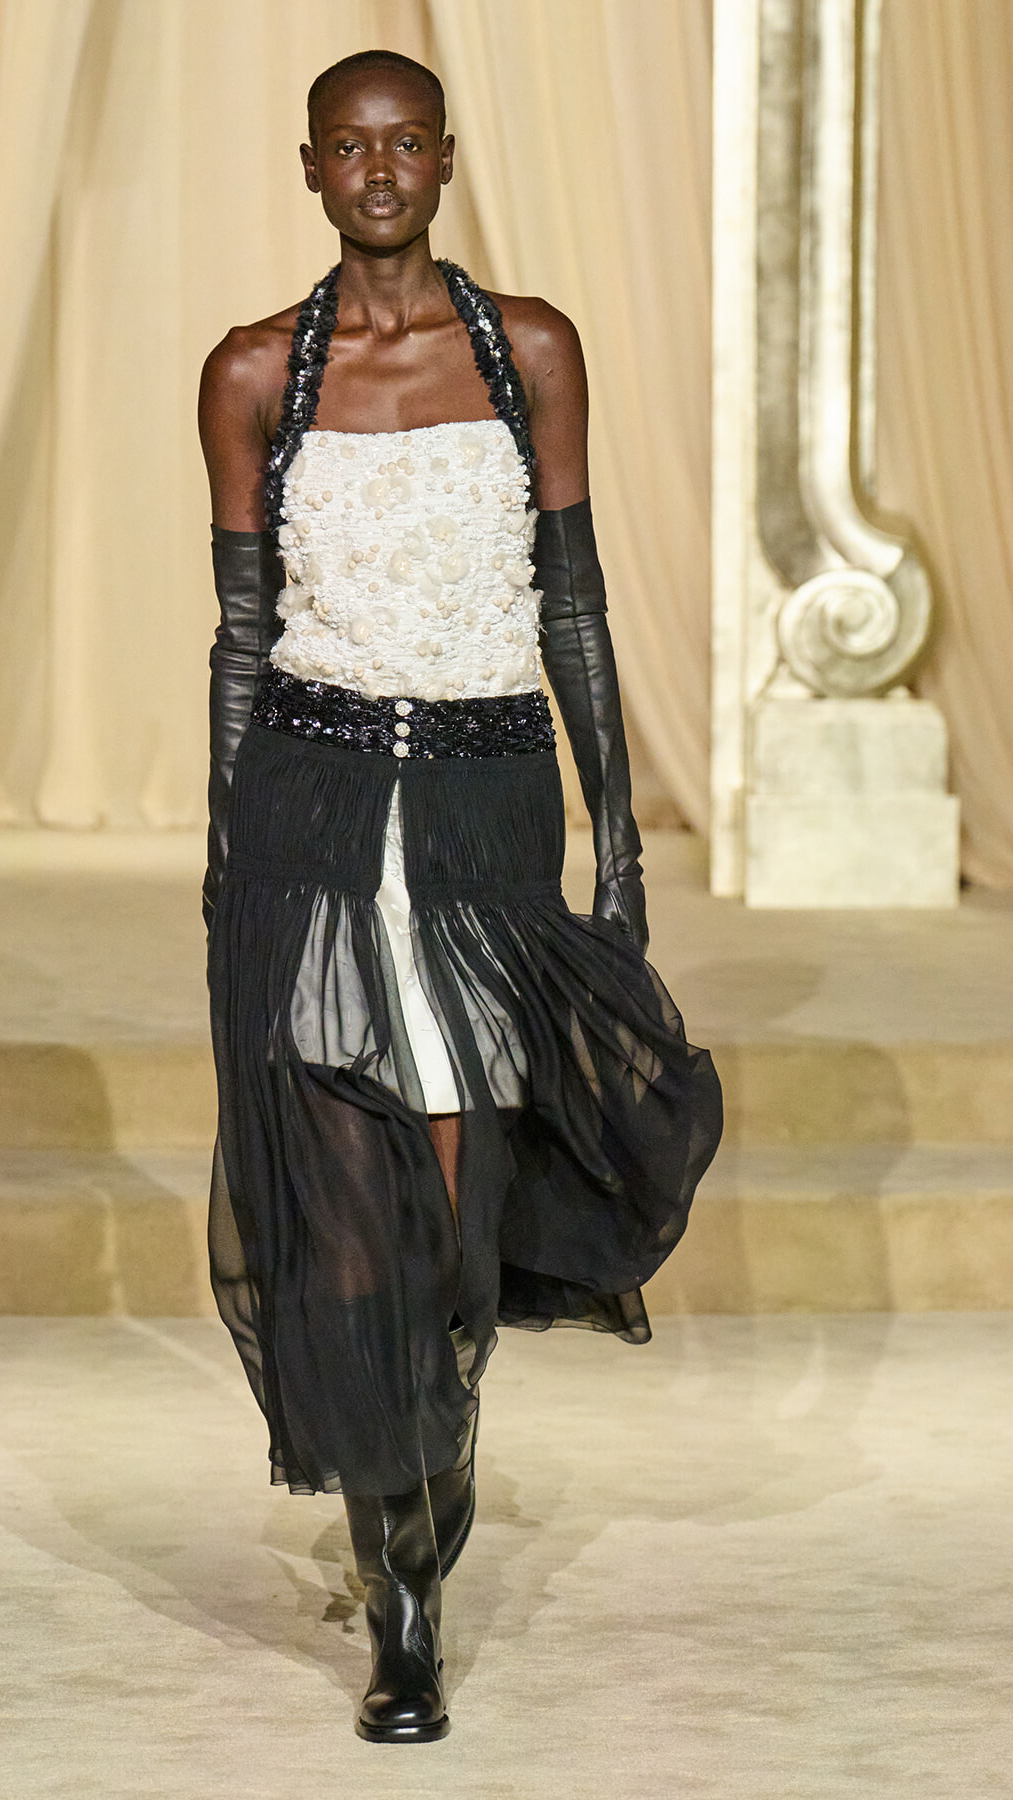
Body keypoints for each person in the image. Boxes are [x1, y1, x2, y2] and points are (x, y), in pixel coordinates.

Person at [198, 49, 722, 1745]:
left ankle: (436, 1442)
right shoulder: (254, 371)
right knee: (350, 1206)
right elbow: (242, 636)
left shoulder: (532, 351)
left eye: (405, 142)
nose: (378, 170)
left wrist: (618, 831)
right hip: (313, 806)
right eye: (347, 147)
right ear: (308, 168)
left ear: (444, 160)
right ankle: (405, 1603)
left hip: (489, 809)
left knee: (452, 1189)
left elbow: (574, 602)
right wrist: (224, 859)